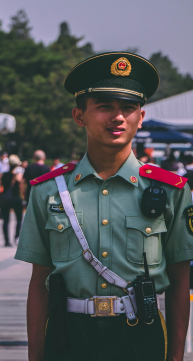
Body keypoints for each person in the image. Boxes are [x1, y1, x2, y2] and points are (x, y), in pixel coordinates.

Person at [15, 52, 193, 361]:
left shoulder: (170, 190)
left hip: (141, 335)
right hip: (69, 336)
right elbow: (39, 283)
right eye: (104, 106)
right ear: (79, 116)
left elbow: (181, 281)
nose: (118, 117)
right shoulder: (49, 191)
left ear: (141, 116)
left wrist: (176, 356)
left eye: (128, 107)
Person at [0, 157, 23, 247]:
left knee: (6, 221)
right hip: (15, 198)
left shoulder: (2, 175)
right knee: (19, 219)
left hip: (5, 199)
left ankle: (7, 241)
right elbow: (21, 187)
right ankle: (16, 237)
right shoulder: (18, 175)